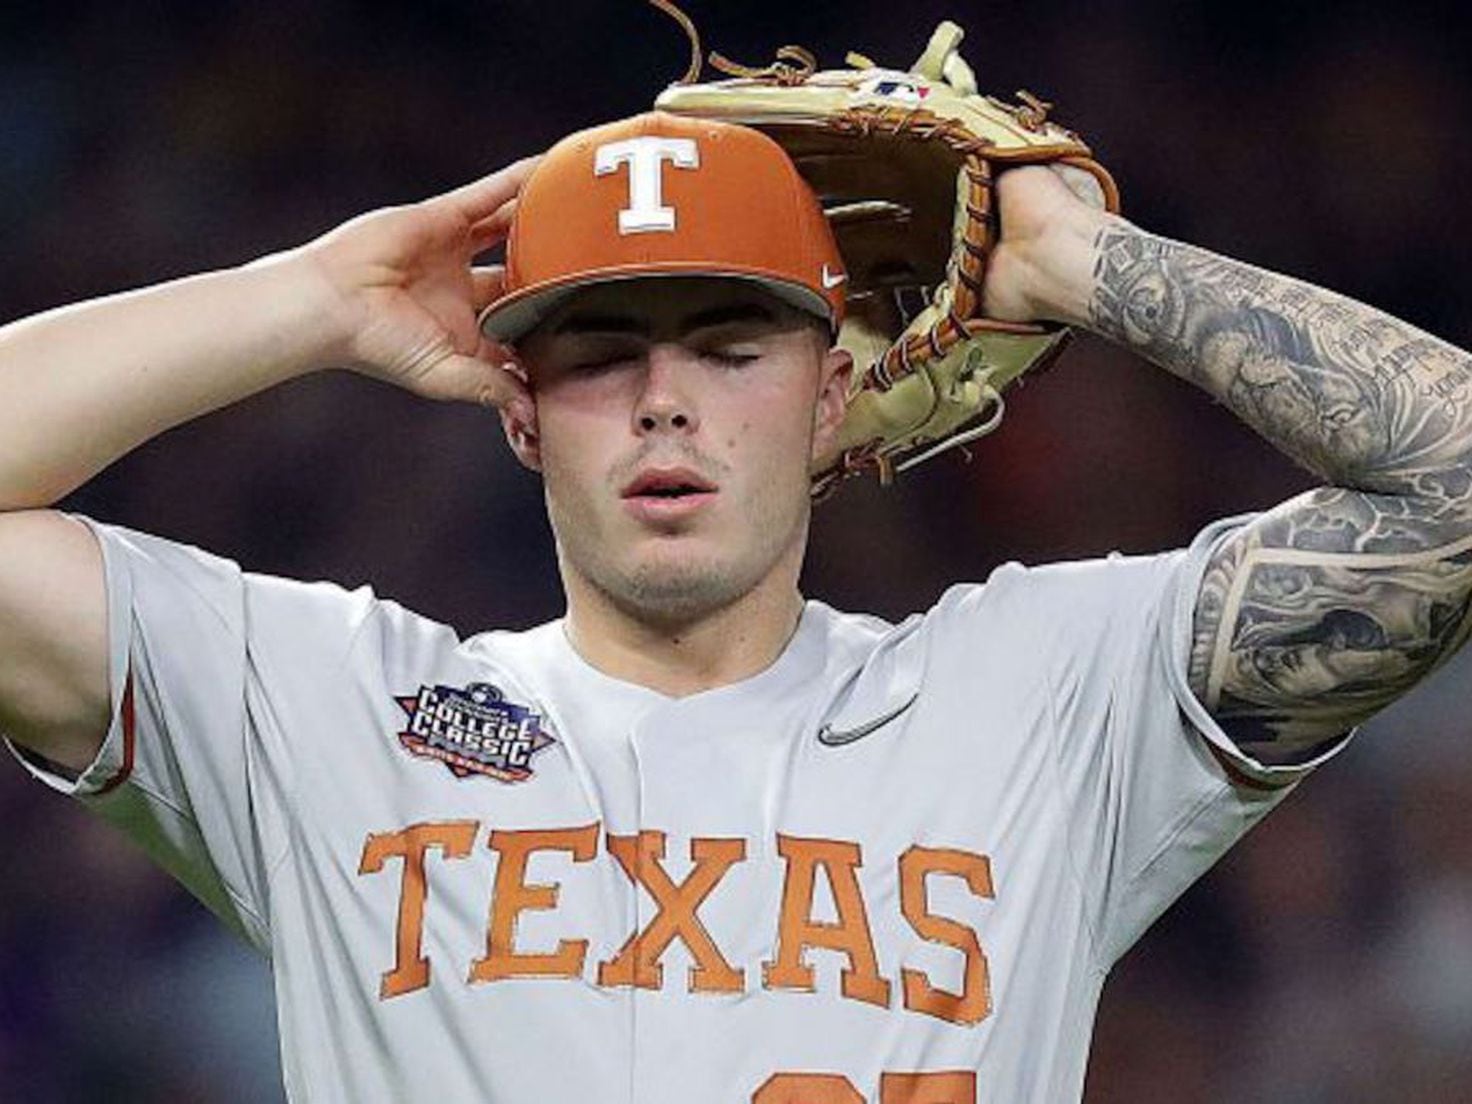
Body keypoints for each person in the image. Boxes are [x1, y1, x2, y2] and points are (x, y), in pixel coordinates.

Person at [1, 107, 1468, 1103]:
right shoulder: (331, 709)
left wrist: (1066, 260)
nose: (660, 405)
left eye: (727, 347)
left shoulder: (1043, 696)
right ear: (519, 413)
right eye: (596, 355)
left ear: (836, 396)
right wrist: (309, 298)